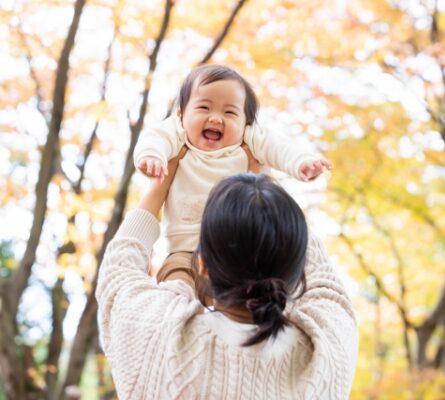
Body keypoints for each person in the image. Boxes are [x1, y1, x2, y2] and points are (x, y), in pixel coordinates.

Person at [96, 150, 358, 399]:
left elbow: (118, 272)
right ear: (295, 269)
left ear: (203, 265)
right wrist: (264, 193)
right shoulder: (328, 351)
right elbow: (324, 281)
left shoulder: (157, 334)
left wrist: (159, 187)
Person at [133, 64, 332, 282]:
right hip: (185, 248)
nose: (216, 118)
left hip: (239, 248)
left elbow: (279, 147)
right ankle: (175, 307)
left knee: (256, 286)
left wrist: (302, 162)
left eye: (229, 112)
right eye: (204, 108)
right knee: (175, 281)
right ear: (181, 115)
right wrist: (152, 156)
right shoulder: (177, 134)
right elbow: (155, 138)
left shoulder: (249, 140)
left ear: (245, 123)